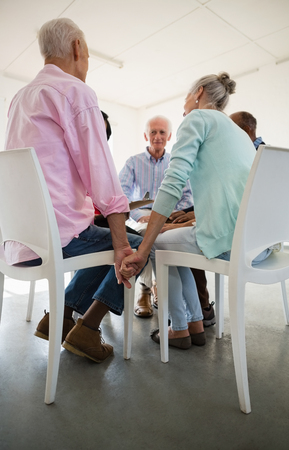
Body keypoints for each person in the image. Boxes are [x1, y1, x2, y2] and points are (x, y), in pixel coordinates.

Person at [4, 18, 143, 363]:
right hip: (56, 241)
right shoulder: (75, 91)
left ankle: (59, 317)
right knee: (136, 246)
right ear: (78, 48)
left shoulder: (19, 98)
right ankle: (88, 330)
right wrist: (123, 242)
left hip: (17, 243)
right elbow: (101, 174)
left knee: (101, 236)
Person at [120, 72, 272, 350]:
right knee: (171, 247)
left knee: (157, 247)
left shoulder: (197, 119)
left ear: (198, 92)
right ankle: (195, 324)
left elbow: (173, 184)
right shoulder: (237, 132)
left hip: (232, 242)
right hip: (261, 243)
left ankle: (180, 328)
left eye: (186, 96)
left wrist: (143, 249)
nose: (184, 104)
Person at [119, 116, 213, 323]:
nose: (157, 136)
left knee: (166, 238)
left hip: (169, 217)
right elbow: (122, 195)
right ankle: (147, 289)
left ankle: (161, 291)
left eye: (162, 132)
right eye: (153, 132)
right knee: (146, 237)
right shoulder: (133, 162)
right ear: (146, 135)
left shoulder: (176, 162)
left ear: (169, 136)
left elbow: (188, 195)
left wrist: (167, 216)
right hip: (140, 217)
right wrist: (140, 216)